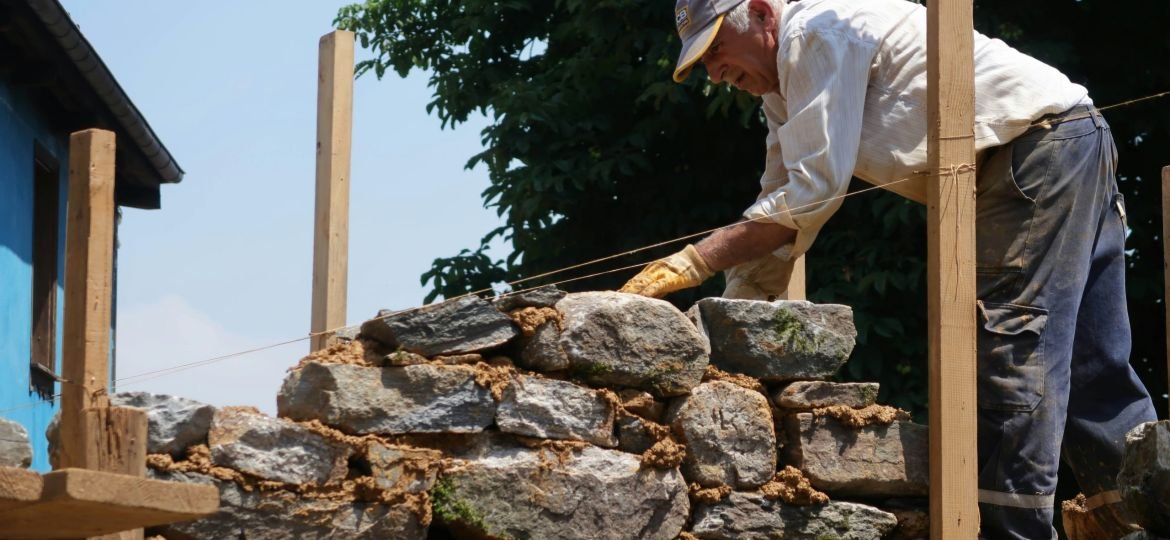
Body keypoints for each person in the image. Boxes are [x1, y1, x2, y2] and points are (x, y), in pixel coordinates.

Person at [619, 0, 1158, 537]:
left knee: (1013, 348)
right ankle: (1148, 515)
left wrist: (692, 262)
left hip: (1035, 152)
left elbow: (808, 197)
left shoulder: (814, 33)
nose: (715, 73)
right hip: (1070, 139)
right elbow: (779, 200)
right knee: (1092, 363)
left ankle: (1012, 531)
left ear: (761, 13)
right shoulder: (781, 89)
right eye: (704, 63)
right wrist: (735, 316)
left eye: (716, 49)